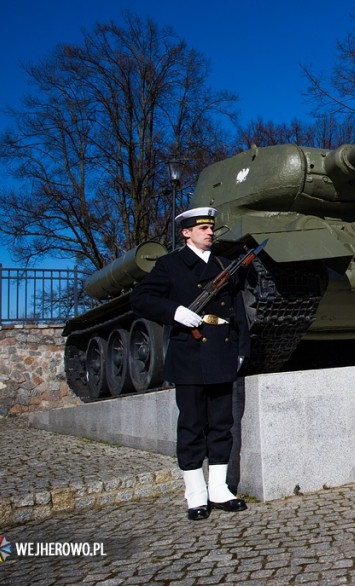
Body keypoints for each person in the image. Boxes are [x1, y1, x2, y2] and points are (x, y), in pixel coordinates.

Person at [131, 207, 251, 520]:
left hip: (222, 354)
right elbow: (140, 298)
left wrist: (241, 349)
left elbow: (238, 310)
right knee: (192, 426)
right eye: (202, 229)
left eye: (211, 228)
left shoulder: (224, 264)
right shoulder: (170, 265)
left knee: (222, 425)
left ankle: (219, 489)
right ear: (186, 232)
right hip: (190, 356)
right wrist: (175, 312)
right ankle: (196, 494)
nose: (209, 233)